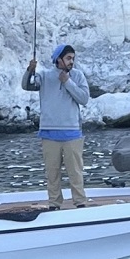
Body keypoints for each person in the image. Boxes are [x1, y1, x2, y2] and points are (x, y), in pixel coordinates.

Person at [22, 44, 90, 209]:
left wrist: (68, 82)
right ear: (58, 59)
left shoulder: (78, 76)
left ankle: (80, 202)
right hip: (49, 133)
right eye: (68, 58)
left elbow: (84, 98)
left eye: (73, 58)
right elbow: (27, 85)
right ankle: (54, 203)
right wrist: (29, 71)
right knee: (52, 173)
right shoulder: (45, 76)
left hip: (72, 133)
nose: (71, 61)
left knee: (75, 172)